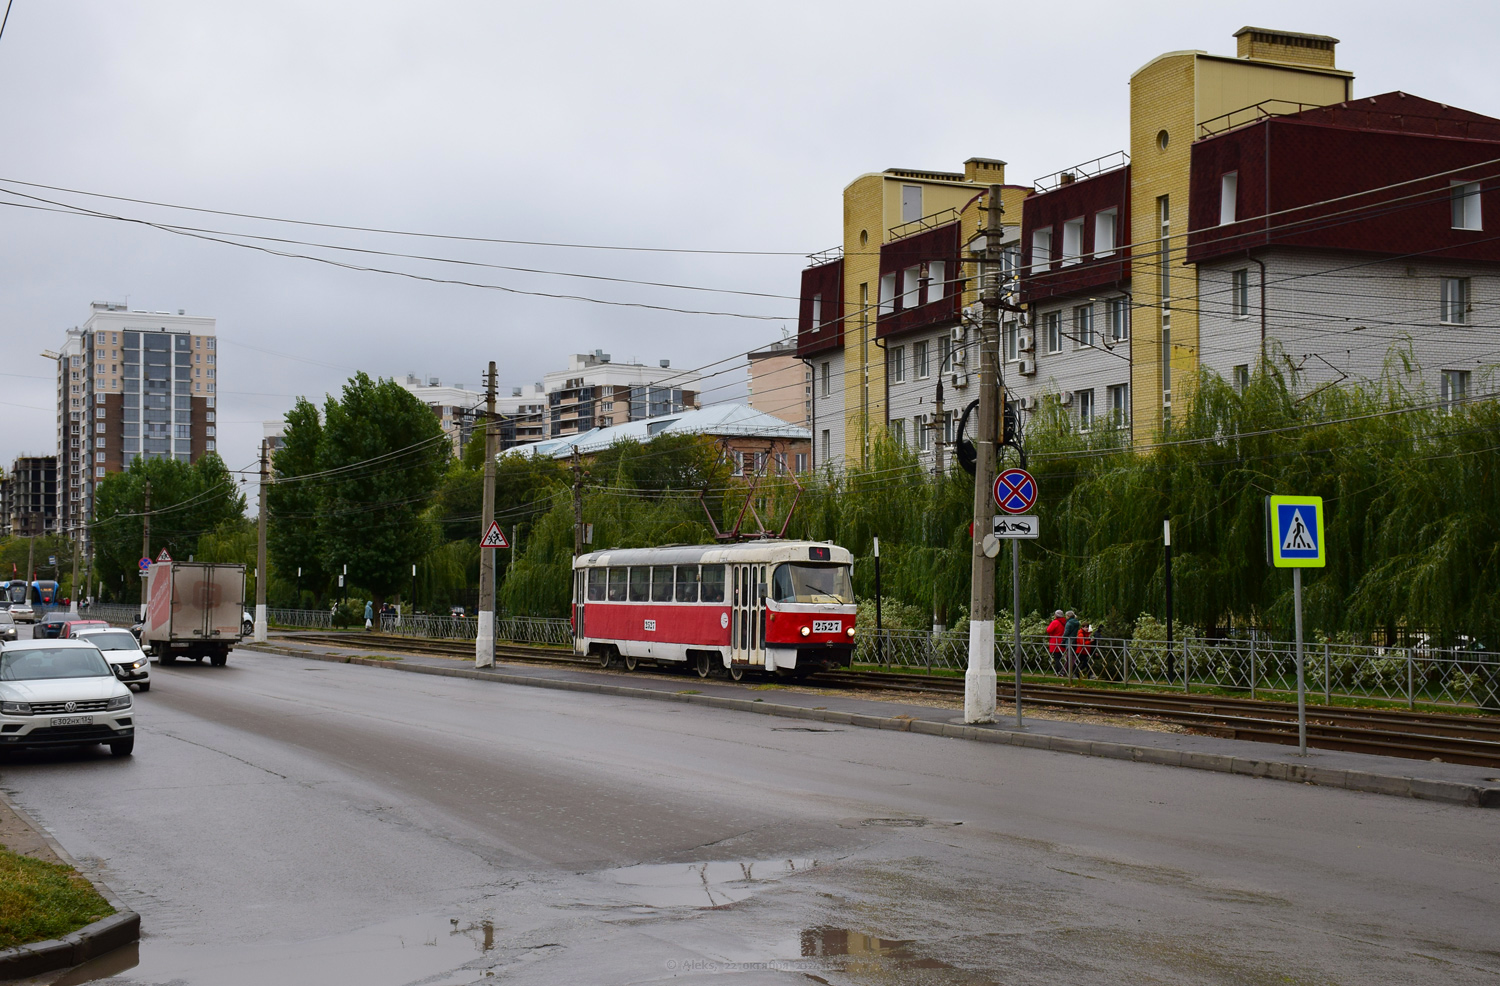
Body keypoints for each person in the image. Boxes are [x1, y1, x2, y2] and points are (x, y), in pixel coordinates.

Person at [1045, 610, 1066, 675]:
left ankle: (1061, 671)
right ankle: (1057, 671)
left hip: (1055, 641)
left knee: (1056, 658)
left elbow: (1049, 630)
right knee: (1059, 657)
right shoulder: (1065, 622)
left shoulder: (1055, 622)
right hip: (1062, 641)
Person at [1063, 611, 1080, 678]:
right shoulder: (1077, 622)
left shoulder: (1069, 623)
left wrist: (1063, 639)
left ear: (1068, 616)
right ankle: (1064, 671)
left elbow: (1066, 632)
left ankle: (1072, 672)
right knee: (1070, 656)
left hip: (1069, 640)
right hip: (1074, 640)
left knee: (1070, 657)